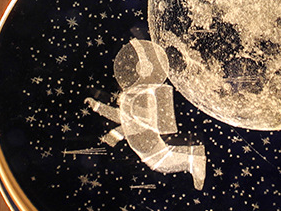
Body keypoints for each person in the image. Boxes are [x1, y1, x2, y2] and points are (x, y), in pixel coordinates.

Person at [85, 38, 206, 190]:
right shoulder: (133, 94)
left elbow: (139, 121)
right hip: (143, 142)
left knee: (161, 162)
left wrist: (116, 133)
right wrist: (98, 107)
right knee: (162, 160)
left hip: (146, 141)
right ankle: (193, 156)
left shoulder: (145, 95)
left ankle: (194, 157)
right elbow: (123, 117)